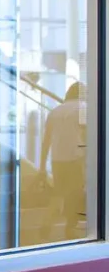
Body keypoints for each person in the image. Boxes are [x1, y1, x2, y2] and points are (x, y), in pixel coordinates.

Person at [39, 82, 87, 225]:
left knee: (59, 194)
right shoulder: (83, 109)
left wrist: (42, 167)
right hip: (76, 159)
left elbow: (46, 141)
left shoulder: (55, 111)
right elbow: (87, 136)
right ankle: (70, 227)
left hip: (57, 160)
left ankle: (48, 221)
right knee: (75, 193)